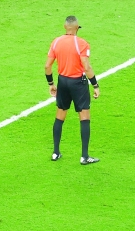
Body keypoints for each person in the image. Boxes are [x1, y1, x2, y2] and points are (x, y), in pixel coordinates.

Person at [45, 15, 102, 165]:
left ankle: (55, 153)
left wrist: (51, 83)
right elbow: (86, 67)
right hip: (78, 83)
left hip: (62, 82)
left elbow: (47, 66)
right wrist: (95, 85)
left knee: (59, 116)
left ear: (65, 27)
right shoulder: (82, 44)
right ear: (77, 28)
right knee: (84, 117)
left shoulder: (56, 42)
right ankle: (84, 156)